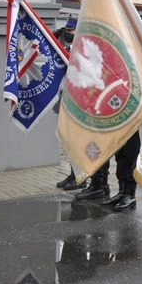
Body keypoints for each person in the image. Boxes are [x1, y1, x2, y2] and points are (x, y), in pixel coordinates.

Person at [53, 16, 87, 191]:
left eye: (71, 31)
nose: (68, 34)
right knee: (69, 140)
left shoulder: (81, 49)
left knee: (78, 140)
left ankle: (82, 176)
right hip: (65, 97)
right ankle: (74, 173)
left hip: (78, 101)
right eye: (66, 31)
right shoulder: (66, 47)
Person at [75, 130, 141, 212]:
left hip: (131, 120)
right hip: (119, 120)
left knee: (130, 152)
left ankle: (130, 194)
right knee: (120, 151)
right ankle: (122, 192)